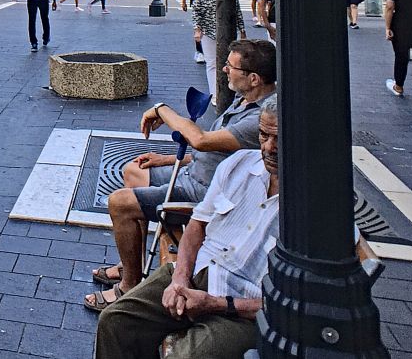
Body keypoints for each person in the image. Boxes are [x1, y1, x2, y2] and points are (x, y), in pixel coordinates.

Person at [85, 40, 276, 315]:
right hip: (192, 172)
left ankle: (129, 285)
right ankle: (129, 265)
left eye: (231, 66)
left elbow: (201, 140)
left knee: (119, 203)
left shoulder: (260, 118)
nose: (223, 69)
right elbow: (217, 153)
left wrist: (162, 109)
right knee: (133, 170)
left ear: (254, 78)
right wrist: (166, 159)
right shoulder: (243, 99)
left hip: (202, 191)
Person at [93, 95, 281, 359]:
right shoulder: (240, 164)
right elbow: (197, 225)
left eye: (278, 139)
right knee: (115, 321)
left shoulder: (315, 203)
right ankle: (130, 281)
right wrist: (180, 278)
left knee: (184, 355)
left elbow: (295, 304)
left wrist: (216, 304)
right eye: (263, 136)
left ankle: (130, 280)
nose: (269, 148)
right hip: (201, 272)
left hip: (245, 308)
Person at [190, 0, 245, 95]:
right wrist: (197, 29)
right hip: (208, 30)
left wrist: (242, 30)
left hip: (228, 30)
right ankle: (215, 94)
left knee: (230, 62)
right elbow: (196, 10)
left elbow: (236, 8)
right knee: (212, 63)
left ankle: (230, 90)